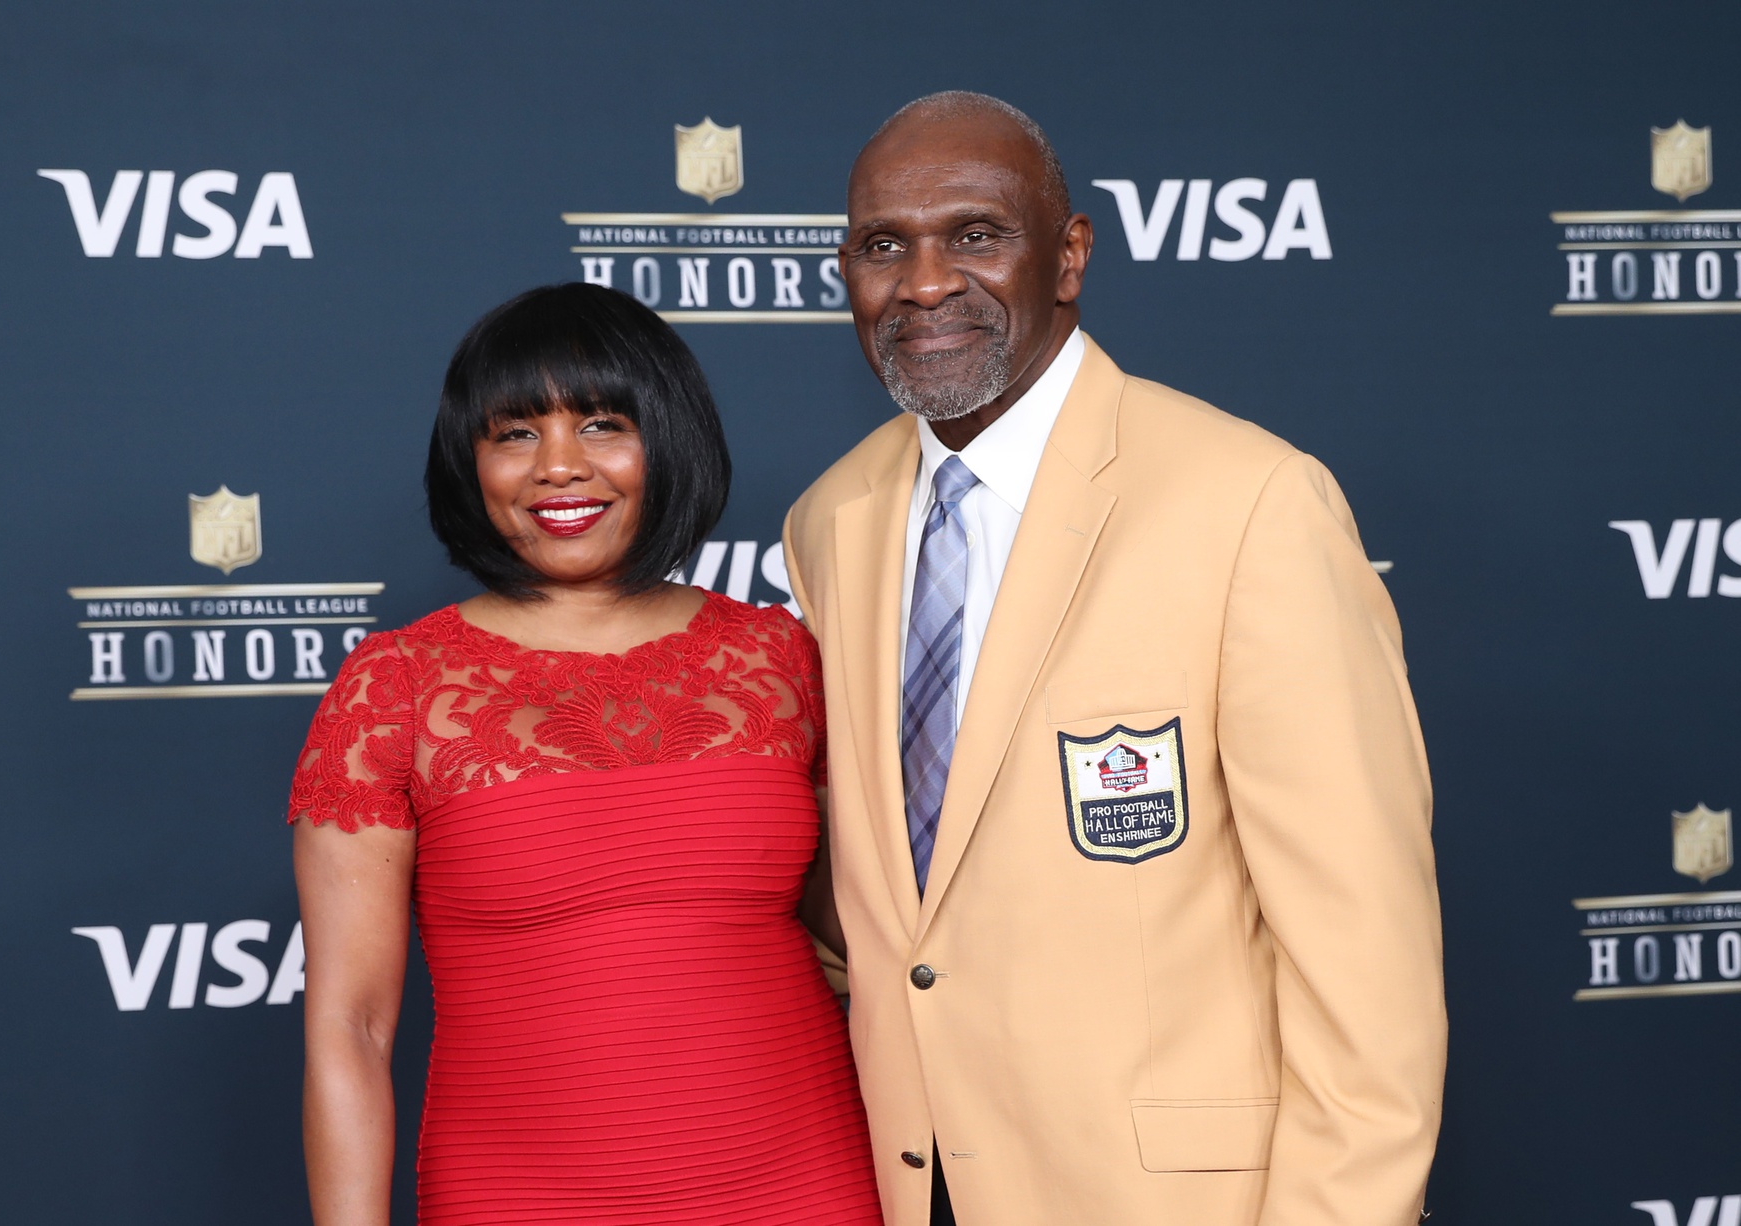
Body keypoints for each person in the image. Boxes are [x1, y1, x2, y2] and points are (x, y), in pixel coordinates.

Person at [781, 92, 1445, 1226]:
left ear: (1071, 254)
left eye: (976, 235)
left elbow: (1365, 968)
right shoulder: (830, 518)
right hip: (911, 1185)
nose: (925, 281)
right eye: (883, 245)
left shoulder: (1251, 502)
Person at [290, 282, 882, 1226]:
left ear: (669, 440)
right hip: (520, 1198)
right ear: (469, 461)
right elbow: (351, 1031)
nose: (558, 469)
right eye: (515, 434)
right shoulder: (394, 687)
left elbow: (881, 932)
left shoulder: (780, 657)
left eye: (605, 424)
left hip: (805, 1186)